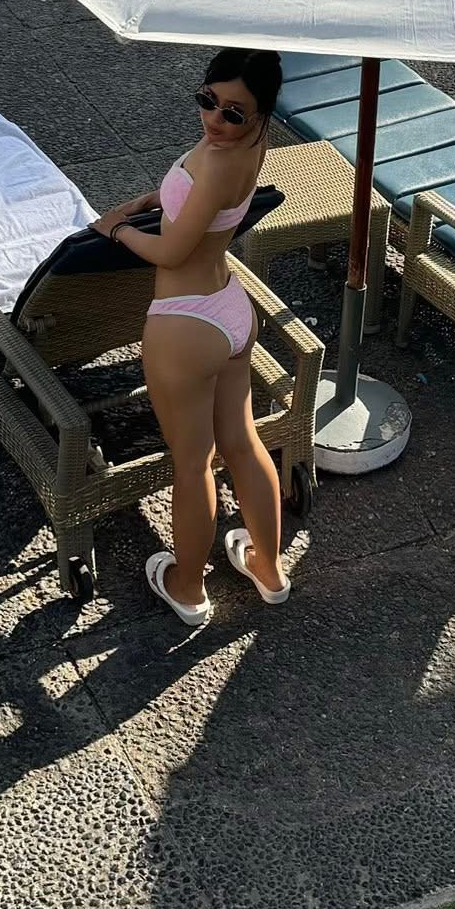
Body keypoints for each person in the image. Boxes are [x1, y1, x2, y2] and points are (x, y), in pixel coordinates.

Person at [88, 47, 289, 629]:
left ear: (261, 112)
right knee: (243, 442)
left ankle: (188, 587)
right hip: (228, 306)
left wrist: (118, 229)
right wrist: (160, 198)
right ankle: (269, 570)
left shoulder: (220, 162)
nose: (214, 119)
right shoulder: (249, 146)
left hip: (185, 320)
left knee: (193, 463)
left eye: (233, 112)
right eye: (208, 100)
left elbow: (172, 251)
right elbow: (204, 200)